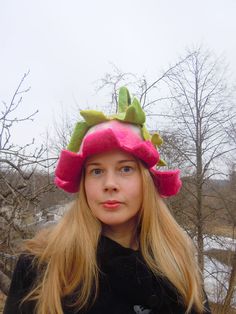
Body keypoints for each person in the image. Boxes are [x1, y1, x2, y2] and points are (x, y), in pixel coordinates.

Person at [4, 87, 211, 314]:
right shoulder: (41, 265)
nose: (109, 184)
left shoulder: (177, 260)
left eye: (125, 169)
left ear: (146, 181)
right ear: (83, 183)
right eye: (96, 171)